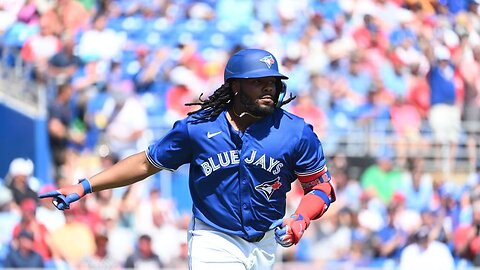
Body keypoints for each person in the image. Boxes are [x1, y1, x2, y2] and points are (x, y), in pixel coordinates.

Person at [39, 48, 336, 269]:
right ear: (235, 85)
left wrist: (301, 217)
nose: (269, 87)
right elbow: (145, 163)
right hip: (215, 238)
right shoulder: (198, 128)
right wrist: (85, 186)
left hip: (268, 242)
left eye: (272, 81)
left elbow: (322, 188)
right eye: (258, 81)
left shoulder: (295, 132)